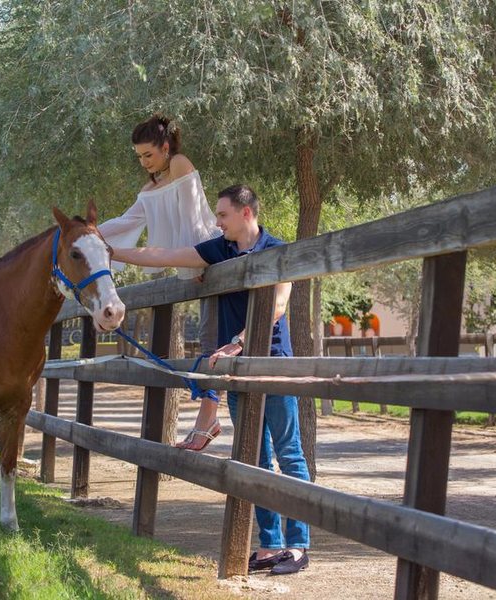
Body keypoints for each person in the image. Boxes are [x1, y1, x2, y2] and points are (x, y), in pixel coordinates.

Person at [111, 184, 311, 575]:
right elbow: (164, 254)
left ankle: (298, 545)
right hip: (235, 369)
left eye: (222, 215)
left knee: (289, 453)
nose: (217, 222)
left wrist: (237, 343)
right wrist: (112, 252)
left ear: (246, 213)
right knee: (254, 456)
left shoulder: (277, 249)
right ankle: (270, 545)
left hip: (272, 363)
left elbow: (280, 305)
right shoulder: (220, 249)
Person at [97, 114, 222, 451]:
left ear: (166, 148)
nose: (143, 162)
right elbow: (127, 221)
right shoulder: (149, 188)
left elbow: (193, 216)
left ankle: (208, 420)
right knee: (213, 337)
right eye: (138, 157)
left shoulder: (180, 164)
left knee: (213, 336)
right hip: (189, 259)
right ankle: (208, 419)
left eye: (148, 155)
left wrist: (196, 258)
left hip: (211, 252)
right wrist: (89, 233)